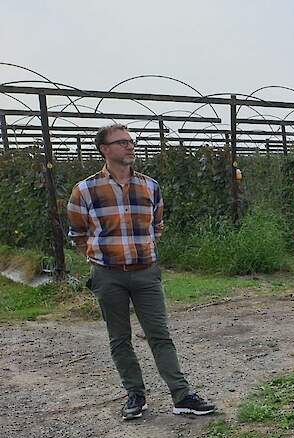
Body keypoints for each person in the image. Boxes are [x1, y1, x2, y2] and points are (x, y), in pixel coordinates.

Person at [67, 124, 216, 421]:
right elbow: (77, 233)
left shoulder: (150, 186)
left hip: (146, 272)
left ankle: (181, 395)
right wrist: (98, 256)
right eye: (121, 142)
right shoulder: (86, 189)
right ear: (105, 150)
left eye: (130, 141)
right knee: (119, 337)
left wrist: (141, 250)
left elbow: (156, 226)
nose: (129, 146)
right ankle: (135, 394)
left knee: (160, 334)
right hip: (108, 274)